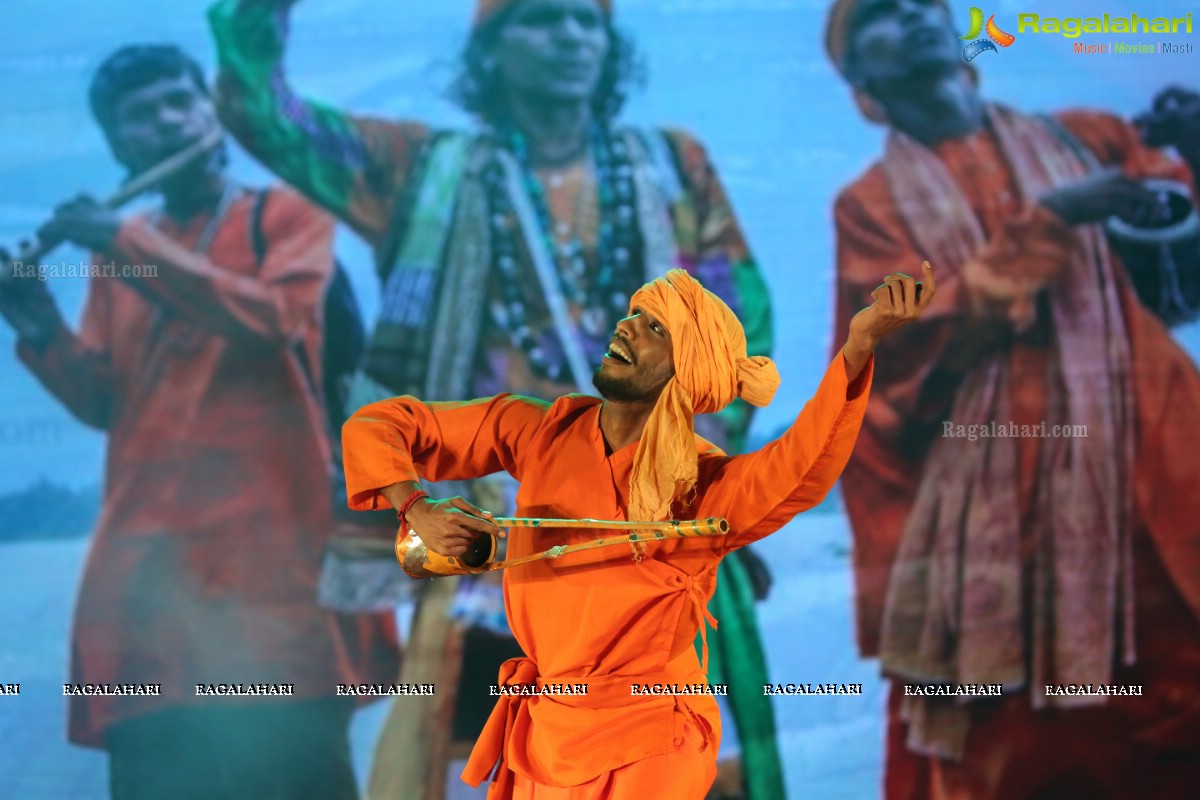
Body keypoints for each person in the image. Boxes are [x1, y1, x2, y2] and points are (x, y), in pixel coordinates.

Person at [207, 0, 783, 796]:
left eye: (588, 20)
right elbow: (269, 117)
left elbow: (739, 317)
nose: (572, 38)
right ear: (489, 48)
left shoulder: (672, 164)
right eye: (541, 19)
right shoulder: (424, 169)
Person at [342, 265, 933, 798]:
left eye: (655, 328)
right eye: (633, 314)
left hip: (651, 740)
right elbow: (383, 424)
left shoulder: (704, 489)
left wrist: (859, 347)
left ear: (687, 370)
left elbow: (801, 466)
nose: (627, 327)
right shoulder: (540, 430)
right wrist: (412, 504)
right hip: (547, 733)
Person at [824, 0, 1200, 797]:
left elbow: (1181, 272)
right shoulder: (870, 207)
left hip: (1156, 474)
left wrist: (1195, 148)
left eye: (926, 2)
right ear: (859, 79)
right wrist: (1056, 217)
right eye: (881, 15)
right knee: (1026, 754)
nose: (915, 16)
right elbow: (905, 350)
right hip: (1002, 523)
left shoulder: (1087, 136)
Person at [0, 45, 396, 800]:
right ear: (119, 145)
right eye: (140, 116)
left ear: (211, 116)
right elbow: (107, 402)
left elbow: (273, 318)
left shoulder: (286, 215)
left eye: (181, 101)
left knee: (297, 768)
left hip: (273, 559)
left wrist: (120, 240)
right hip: (151, 571)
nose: (168, 121)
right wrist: (38, 321)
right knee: (158, 771)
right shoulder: (122, 252)